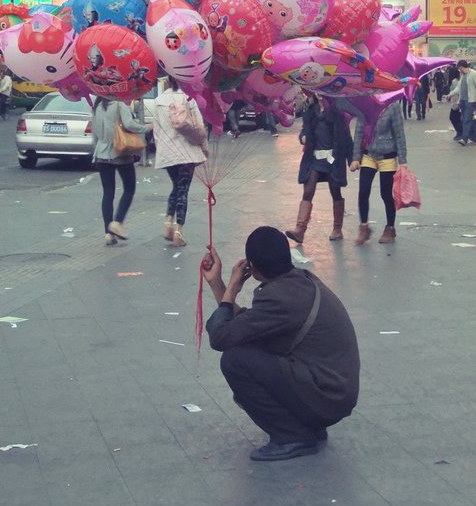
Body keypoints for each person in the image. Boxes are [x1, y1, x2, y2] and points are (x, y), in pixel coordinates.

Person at [203, 226, 360, 462]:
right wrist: (217, 284)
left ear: (252, 268)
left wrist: (233, 287)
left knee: (235, 360)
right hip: (333, 391)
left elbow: (220, 338)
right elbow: (245, 327)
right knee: (249, 349)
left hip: (328, 397)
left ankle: (292, 436)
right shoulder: (297, 282)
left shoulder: (280, 296)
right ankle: (304, 426)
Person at [286, 95, 353, 244]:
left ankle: (337, 229)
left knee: (335, 191)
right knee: (308, 191)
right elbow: (304, 131)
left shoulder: (337, 111)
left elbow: (346, 137)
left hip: (332, 158)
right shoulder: (311, 110)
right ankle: (300, 230)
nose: (319, 93)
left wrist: (353, 159)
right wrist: (302, 137)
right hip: (314, 158)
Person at [152, 77, 208, 246]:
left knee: (176, 187)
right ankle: (178, 231)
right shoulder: (188, 99)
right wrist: (204, 148)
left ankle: (168, 223)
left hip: (168, 153)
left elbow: (157, 131)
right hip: (187, 153)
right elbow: (199, 128)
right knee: (183, 190)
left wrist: (161, 150)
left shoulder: (158, 101)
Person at [351, 100, 407, 245]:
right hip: (369, 154)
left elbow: (399, 133)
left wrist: (403, 161)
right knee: (363, 190)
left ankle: (390, 228)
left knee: (386, 194)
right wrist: (356, 157)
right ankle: (364, 227)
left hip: (388, 156)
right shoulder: (365, 102)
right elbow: (359, 131)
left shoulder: (393, 105)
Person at [92, 97, 144, 245]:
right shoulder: (120, 104)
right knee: (129, 188)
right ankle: (117, 223)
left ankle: (108, 234)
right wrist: (146, 127)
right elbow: (129, 124)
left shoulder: (97, 105)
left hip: (101, 153)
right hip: (120, 152)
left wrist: (95, 153)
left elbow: (94, 133)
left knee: (108, 193)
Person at [452, 60, 476, 145]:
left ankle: (464, 139)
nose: (459, 70)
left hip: (470, 101)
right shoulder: (462, 75)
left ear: (462, 67)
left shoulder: (473, 74)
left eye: (459, 68)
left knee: (466, 119)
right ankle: (473, 137)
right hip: (463, 101)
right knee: (466, 119)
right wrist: (450, 94)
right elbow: (458, 88)